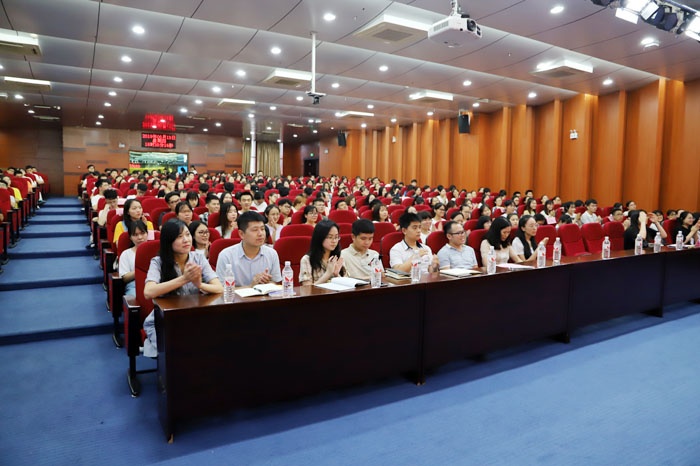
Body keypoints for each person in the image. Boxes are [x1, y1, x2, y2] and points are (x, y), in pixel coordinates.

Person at [143, 220, 222, 357]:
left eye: (187, 234)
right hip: (164, 320)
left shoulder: (198, 258)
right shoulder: (158, 262)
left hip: (192, 316)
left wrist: (200, 285)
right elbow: (148, 292)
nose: (186, 240)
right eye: (179, 237)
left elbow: (219, 288)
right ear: (168, 241)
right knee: (177, 354)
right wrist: (184, 279)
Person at [216, 211, 283, 287]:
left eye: (262, 229)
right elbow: (221, 289)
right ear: (241, 234)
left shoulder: (272, 253)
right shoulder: (226, 256)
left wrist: (266, 283)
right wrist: (251, 286)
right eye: (255, 230)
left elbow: (276, 283)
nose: (260, 234)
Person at [299, 220, 347, 285]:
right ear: (320, 238)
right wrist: (328, 274)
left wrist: (336, 274)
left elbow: (347, 286)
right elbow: (307, 289)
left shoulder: (338, 257)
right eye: (330, 237)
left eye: (336, 237)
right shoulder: (307, 260)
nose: (334, 241)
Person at [118, 220, 149, 297]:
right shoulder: (126, 254)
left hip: (156, 284)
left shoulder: (156, 251)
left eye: (142, 233)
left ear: (147, 233)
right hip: (134, 285)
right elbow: (125, 278)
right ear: (130, 237)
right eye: (135, 235)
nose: (140, 237)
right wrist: (141, 271)